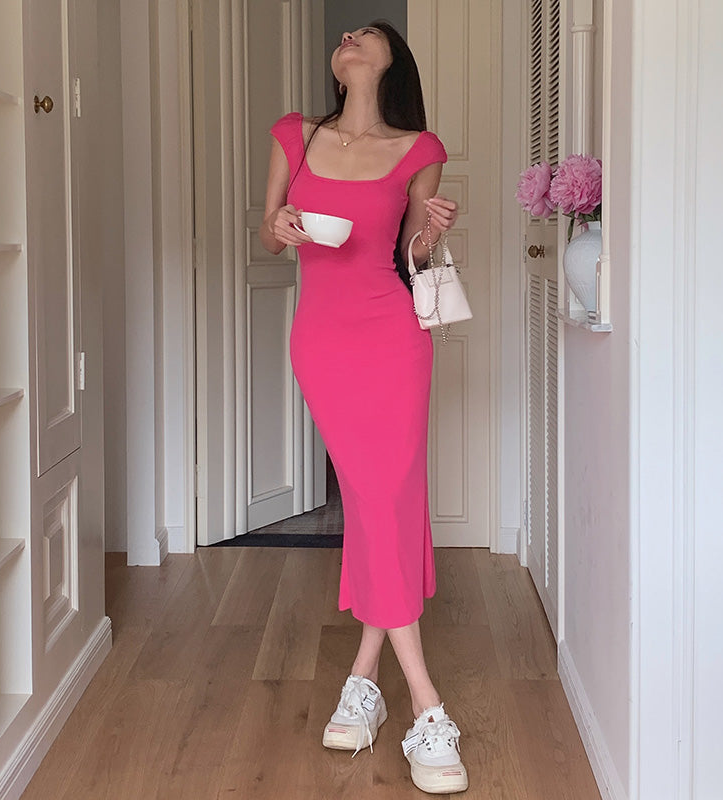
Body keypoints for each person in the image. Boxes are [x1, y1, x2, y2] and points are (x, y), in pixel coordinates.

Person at [260, 20, 467, 795]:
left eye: (366, 34)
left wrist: (431, 231)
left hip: (394, 339)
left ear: (390, 62)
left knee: (383, 502)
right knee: (381, 502)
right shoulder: (293, 134)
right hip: (323, 341)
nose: (348, 37)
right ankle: (418, 703)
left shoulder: (421, 150)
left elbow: (410, 257)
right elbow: (269, 233)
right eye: (345, 34)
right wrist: (277, 226)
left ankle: (380, 689)